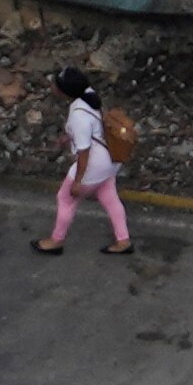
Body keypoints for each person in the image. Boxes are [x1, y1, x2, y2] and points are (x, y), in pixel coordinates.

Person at [31, 66, 131, 256]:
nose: (52, 87)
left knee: (66, 198)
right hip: (111, 159)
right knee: (109, 196)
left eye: (56, 85)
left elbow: (84, 153)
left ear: (63, 92)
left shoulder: (78, 116)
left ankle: (56, 241)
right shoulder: (89, 94)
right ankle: (123, 240)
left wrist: (78, 181)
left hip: (95, 163)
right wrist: (69, 137)